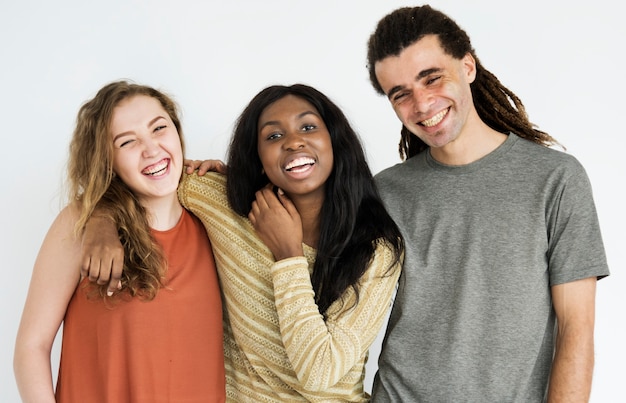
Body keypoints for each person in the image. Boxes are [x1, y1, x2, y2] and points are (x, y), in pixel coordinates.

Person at [82, 83, 405, 402]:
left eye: (308, 127)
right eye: (273, 136)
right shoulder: (222, 203)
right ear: (257, 157)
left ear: (334, 140)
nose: (294, 142)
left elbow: (319, 371)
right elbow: (140, 178)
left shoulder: (375, 250)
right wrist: (101, 222)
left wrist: (288, 254)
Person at [365, 5, 610, 402]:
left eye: (432, 79)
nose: (423, 104)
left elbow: (575, 329)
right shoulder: (384, 192)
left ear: (468, 67)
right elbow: (312, 256)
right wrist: (238, 178)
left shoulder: (555, 180)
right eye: (401, 94)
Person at [13, 81, 225, 402]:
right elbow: (32, 347)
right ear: (107, 160)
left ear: (177, 133)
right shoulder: (81, 223)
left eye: (159, 128)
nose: (151, 149)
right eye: (127, 142)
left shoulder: (213, 218)